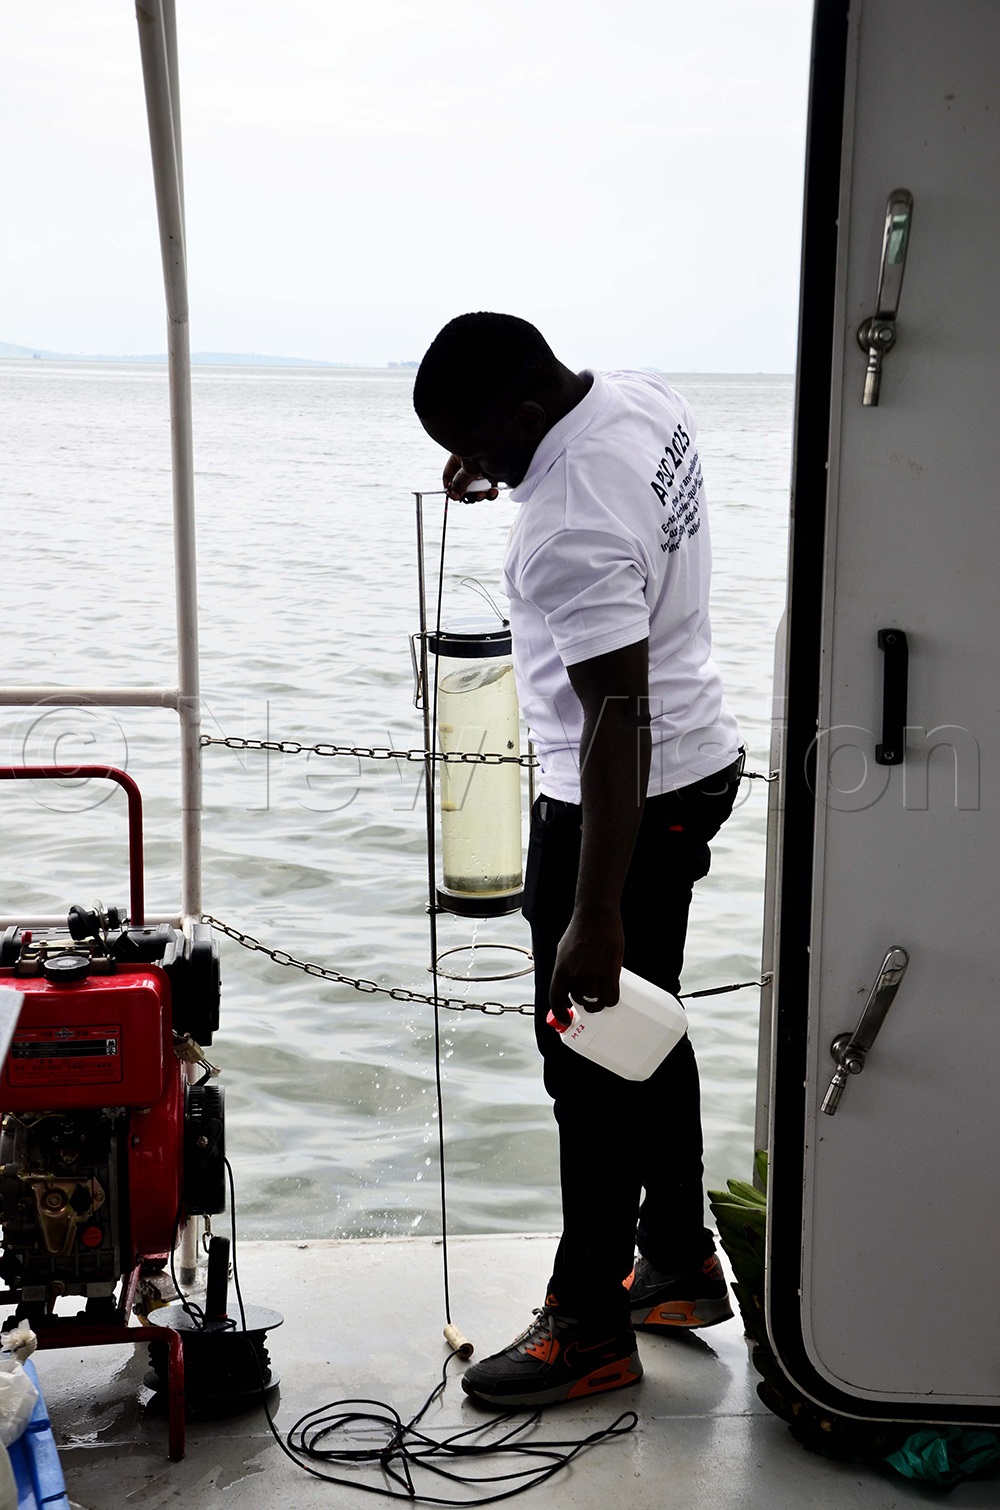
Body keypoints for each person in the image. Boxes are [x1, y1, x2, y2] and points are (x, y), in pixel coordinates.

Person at [414, 312, 742, 1408]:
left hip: (622, 800)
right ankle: (677, 1258)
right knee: (644, 1018)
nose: (484, 472)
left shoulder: (564, 525)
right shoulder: (637, 397)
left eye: (486, 447)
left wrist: (592, 910)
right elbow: (574, 478)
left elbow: (616, 722)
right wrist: (505, 465)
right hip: (698, 763)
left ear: (524, 413)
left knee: (588, 1054)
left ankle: (589, 1324)